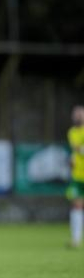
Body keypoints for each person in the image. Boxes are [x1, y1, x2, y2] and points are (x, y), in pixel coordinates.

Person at [66, 105, 84, 248]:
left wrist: (79, 150)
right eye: (76, 114)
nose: (77, 117)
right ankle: (76, 239)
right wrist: (72, 159)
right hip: (77, 175)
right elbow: (76, 151)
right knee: (76, 205)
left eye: (80, 114)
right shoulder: (71, 132)